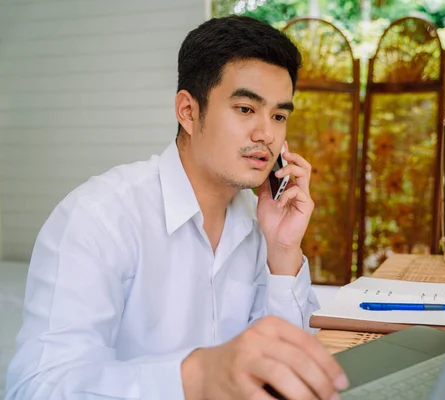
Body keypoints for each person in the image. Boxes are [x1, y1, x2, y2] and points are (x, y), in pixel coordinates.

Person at [6, 16, 348, 400]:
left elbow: (288, 374)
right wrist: (196, 376)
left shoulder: (261, 223)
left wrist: (284, 253)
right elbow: (35, 387)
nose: (266, 134)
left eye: (279, 116)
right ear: (188, 111)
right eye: (246, 109)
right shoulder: (98, 217)